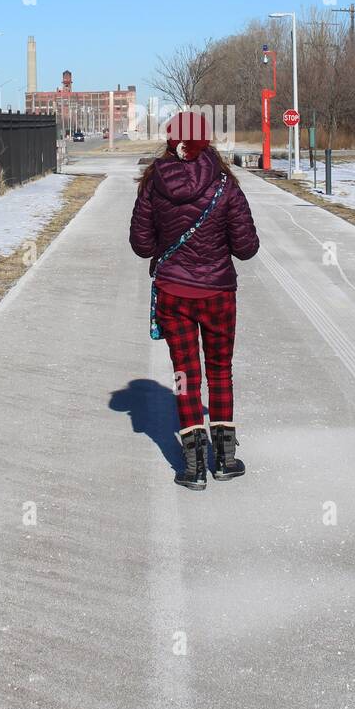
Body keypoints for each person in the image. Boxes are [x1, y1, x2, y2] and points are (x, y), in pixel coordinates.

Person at [129, 112, 259, 490]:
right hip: (219, 294)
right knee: (220, 371)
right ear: (207, 141)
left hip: (173, 293)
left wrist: (164, 240)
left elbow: (141, 246)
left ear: (172, 141)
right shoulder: (226, 185)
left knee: (185, 375)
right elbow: (247, 248)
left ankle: (193, 466)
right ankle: (225, 459)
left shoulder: (154, 184)